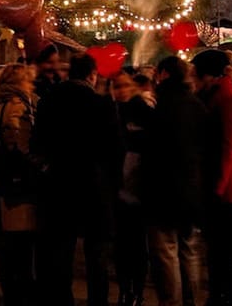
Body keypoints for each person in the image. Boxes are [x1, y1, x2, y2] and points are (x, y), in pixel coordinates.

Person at [32, 53, 121, 306]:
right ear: (92, 75)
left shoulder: (48, 101)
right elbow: (115, 150)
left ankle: (62, 299)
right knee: (96, 255)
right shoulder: (102, 104)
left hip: (59, 184)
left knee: (60, 250)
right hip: (94, 185)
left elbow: (38, 143)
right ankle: (97, 300)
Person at [140, 57, 205, 306]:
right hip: (190, 188)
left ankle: (172, 301)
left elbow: (151, 151)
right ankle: (192, 299)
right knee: (188, 249)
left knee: (166, 252)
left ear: (164, 74)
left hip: (163, 190)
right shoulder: (196, 105)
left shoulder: (161, 107)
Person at [192, 48, 232, 306]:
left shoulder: (227, 99)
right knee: (218, 247)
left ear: (208, 75)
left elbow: (228, 146)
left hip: (229, 187)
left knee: (227, 248)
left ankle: (229, 294)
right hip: (221, 183)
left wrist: (217, 187)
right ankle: (221, 292)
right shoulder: (214, 94)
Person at [0, 63, 40, 306]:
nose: (31, 85)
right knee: (22, 242)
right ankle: (21, 291)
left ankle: (11, 286)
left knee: (9, 240)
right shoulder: (18, 107)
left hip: (2, 176)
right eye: (28, 80)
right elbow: (22, 144)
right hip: (20, 182)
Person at [109, 70, 152, 306]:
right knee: (122, 245)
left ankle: (137, 289)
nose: (121, 91)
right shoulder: (111, 112)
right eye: (117, 86)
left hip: (139, 188)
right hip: (119, 189)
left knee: (137, 244)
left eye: (125, 86)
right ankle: (126, 289)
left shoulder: (141, 110)